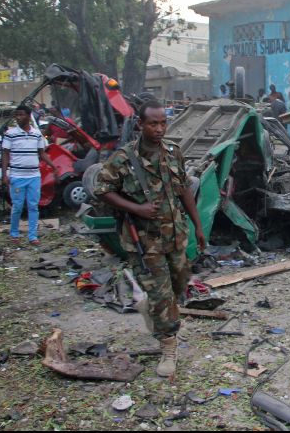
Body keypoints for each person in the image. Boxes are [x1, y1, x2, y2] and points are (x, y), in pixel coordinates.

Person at [93, 100, 206, 378]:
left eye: (163, 123)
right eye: (153, 123)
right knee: (161, 293)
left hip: (175, 234)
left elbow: (183, 190)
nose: (159, 129)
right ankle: (168, 346)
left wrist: (199, 226)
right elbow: (102, 189)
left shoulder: (173, 152)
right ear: (140, 125)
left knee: (179, 284)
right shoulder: (124, 158)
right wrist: (136, 208)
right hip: (145, 241)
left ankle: (152, 309)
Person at [1, 104, 57, 245]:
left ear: (28, 116)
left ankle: (32, 236)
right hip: (17, 176)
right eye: (17, 115)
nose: (18, 117)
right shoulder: (10, 134)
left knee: (33, 206)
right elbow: (5, 154)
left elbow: (42, 153)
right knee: (17, 206)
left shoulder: (36, 134)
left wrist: (53, 166)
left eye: (21, 114)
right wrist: (4, 175)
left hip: (34, 176)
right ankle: (14, 234)